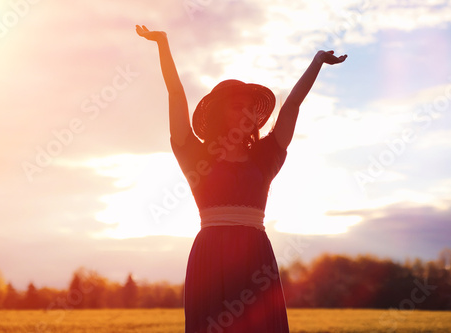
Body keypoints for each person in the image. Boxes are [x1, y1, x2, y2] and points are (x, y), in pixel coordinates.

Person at [136, 24, 347, 332]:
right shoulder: (197, 156)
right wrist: (162, 45)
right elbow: (176, 93)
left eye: (250, 108)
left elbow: (292, 106)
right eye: (239, 107)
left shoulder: (265, 156)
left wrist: (316, 63)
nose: (247, 113)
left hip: (255, 256)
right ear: (221, 113)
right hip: (210, 258)